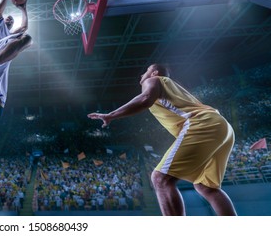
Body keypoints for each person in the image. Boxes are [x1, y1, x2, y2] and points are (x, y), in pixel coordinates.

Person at [87, 64, 237, 216]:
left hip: (202, 124)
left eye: (145, 71)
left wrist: (112, 114)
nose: (141, 76)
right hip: (223, 128)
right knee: (206, 187)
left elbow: (145, 98)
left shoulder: (154, 80)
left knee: (160, 179)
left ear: (154, 73)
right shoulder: (172, 88)